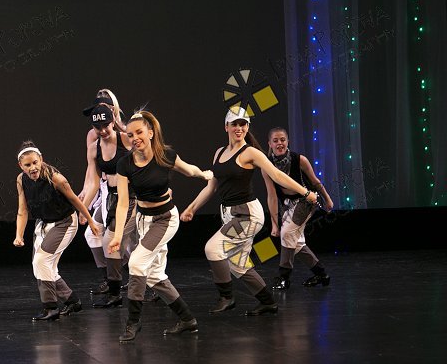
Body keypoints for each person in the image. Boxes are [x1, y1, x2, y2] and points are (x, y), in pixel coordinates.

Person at [180, 108, 319, 316]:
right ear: (226, 127)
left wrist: (305, 192)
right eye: (234, 124)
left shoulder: (251, 153)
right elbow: (211, 187)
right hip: (230, 214)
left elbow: (277, 175)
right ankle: (268, 302)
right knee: (238, 264)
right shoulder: (219, 153)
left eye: (243, 124)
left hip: (247, 215)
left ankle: (227, 297)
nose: (239, 128)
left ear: (247, 127)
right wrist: (191, 208)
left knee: (213, 249)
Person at [108, 111, 212, 342]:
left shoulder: (165, 155)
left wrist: (204, 174)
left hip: (165, 219)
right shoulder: (125, 164)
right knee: (153, 275)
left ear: (150, 133)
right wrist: (117, 236)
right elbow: (123, 203)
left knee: (136, 263)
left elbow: (189, 170)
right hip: (144, 220)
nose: (135, 138)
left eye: (139, 132)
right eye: (130, 135)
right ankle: (187, 319)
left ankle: (133, 322)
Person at [14, 141, 101, 320]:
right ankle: (72, 301)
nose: (32, 168)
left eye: (35, 162)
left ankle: (50, 307)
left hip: (64, 222)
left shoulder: (56, 178)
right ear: (21, 166)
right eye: (27, 165)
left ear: (41, 160)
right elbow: (22, 210)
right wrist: (19, 235)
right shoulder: (21, 180)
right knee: (42, 267)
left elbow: (75, 200)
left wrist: (91, 221)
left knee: (41, 261)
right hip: (43, 223)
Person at [263, 127, 334, 289]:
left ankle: (284, 277)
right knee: (296, 243)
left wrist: (328, 199)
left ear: (288, 141)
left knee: (287, 234)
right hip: (288, 205)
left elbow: (315, 181)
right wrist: (274, 223)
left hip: (306, 201)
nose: (279, 143)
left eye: (283, 140)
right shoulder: (266, 166)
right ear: (270, 144)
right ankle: (322, 274)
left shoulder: (300, 159)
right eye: (275, 140)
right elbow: (272, 196)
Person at [81, 104, 137, 309]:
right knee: (110, 243)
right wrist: (84, 209)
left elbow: (147, 160)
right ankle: (115, 292)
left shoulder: (126, 139)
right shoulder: (93, 148)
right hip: (112, 198)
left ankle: (129, 289)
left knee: (116, 242)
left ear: (113, 121)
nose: (103, 130)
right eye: (98, 127)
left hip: (133, 197)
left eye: (106, 125)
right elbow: (94, 183)